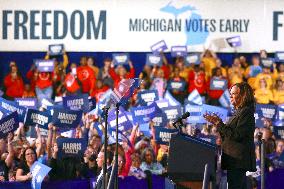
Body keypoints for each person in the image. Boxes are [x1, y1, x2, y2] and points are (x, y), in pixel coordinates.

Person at [203, 82, 256, 189]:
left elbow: (237, 135)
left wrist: (219, 124)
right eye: (230, 93)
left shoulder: (246, 112)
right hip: (233, 160)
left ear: (243, 96)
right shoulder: (239, 112)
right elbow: (228, 135)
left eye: (233, 93)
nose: (230, 96)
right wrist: (217, 123)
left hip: (238, 160)